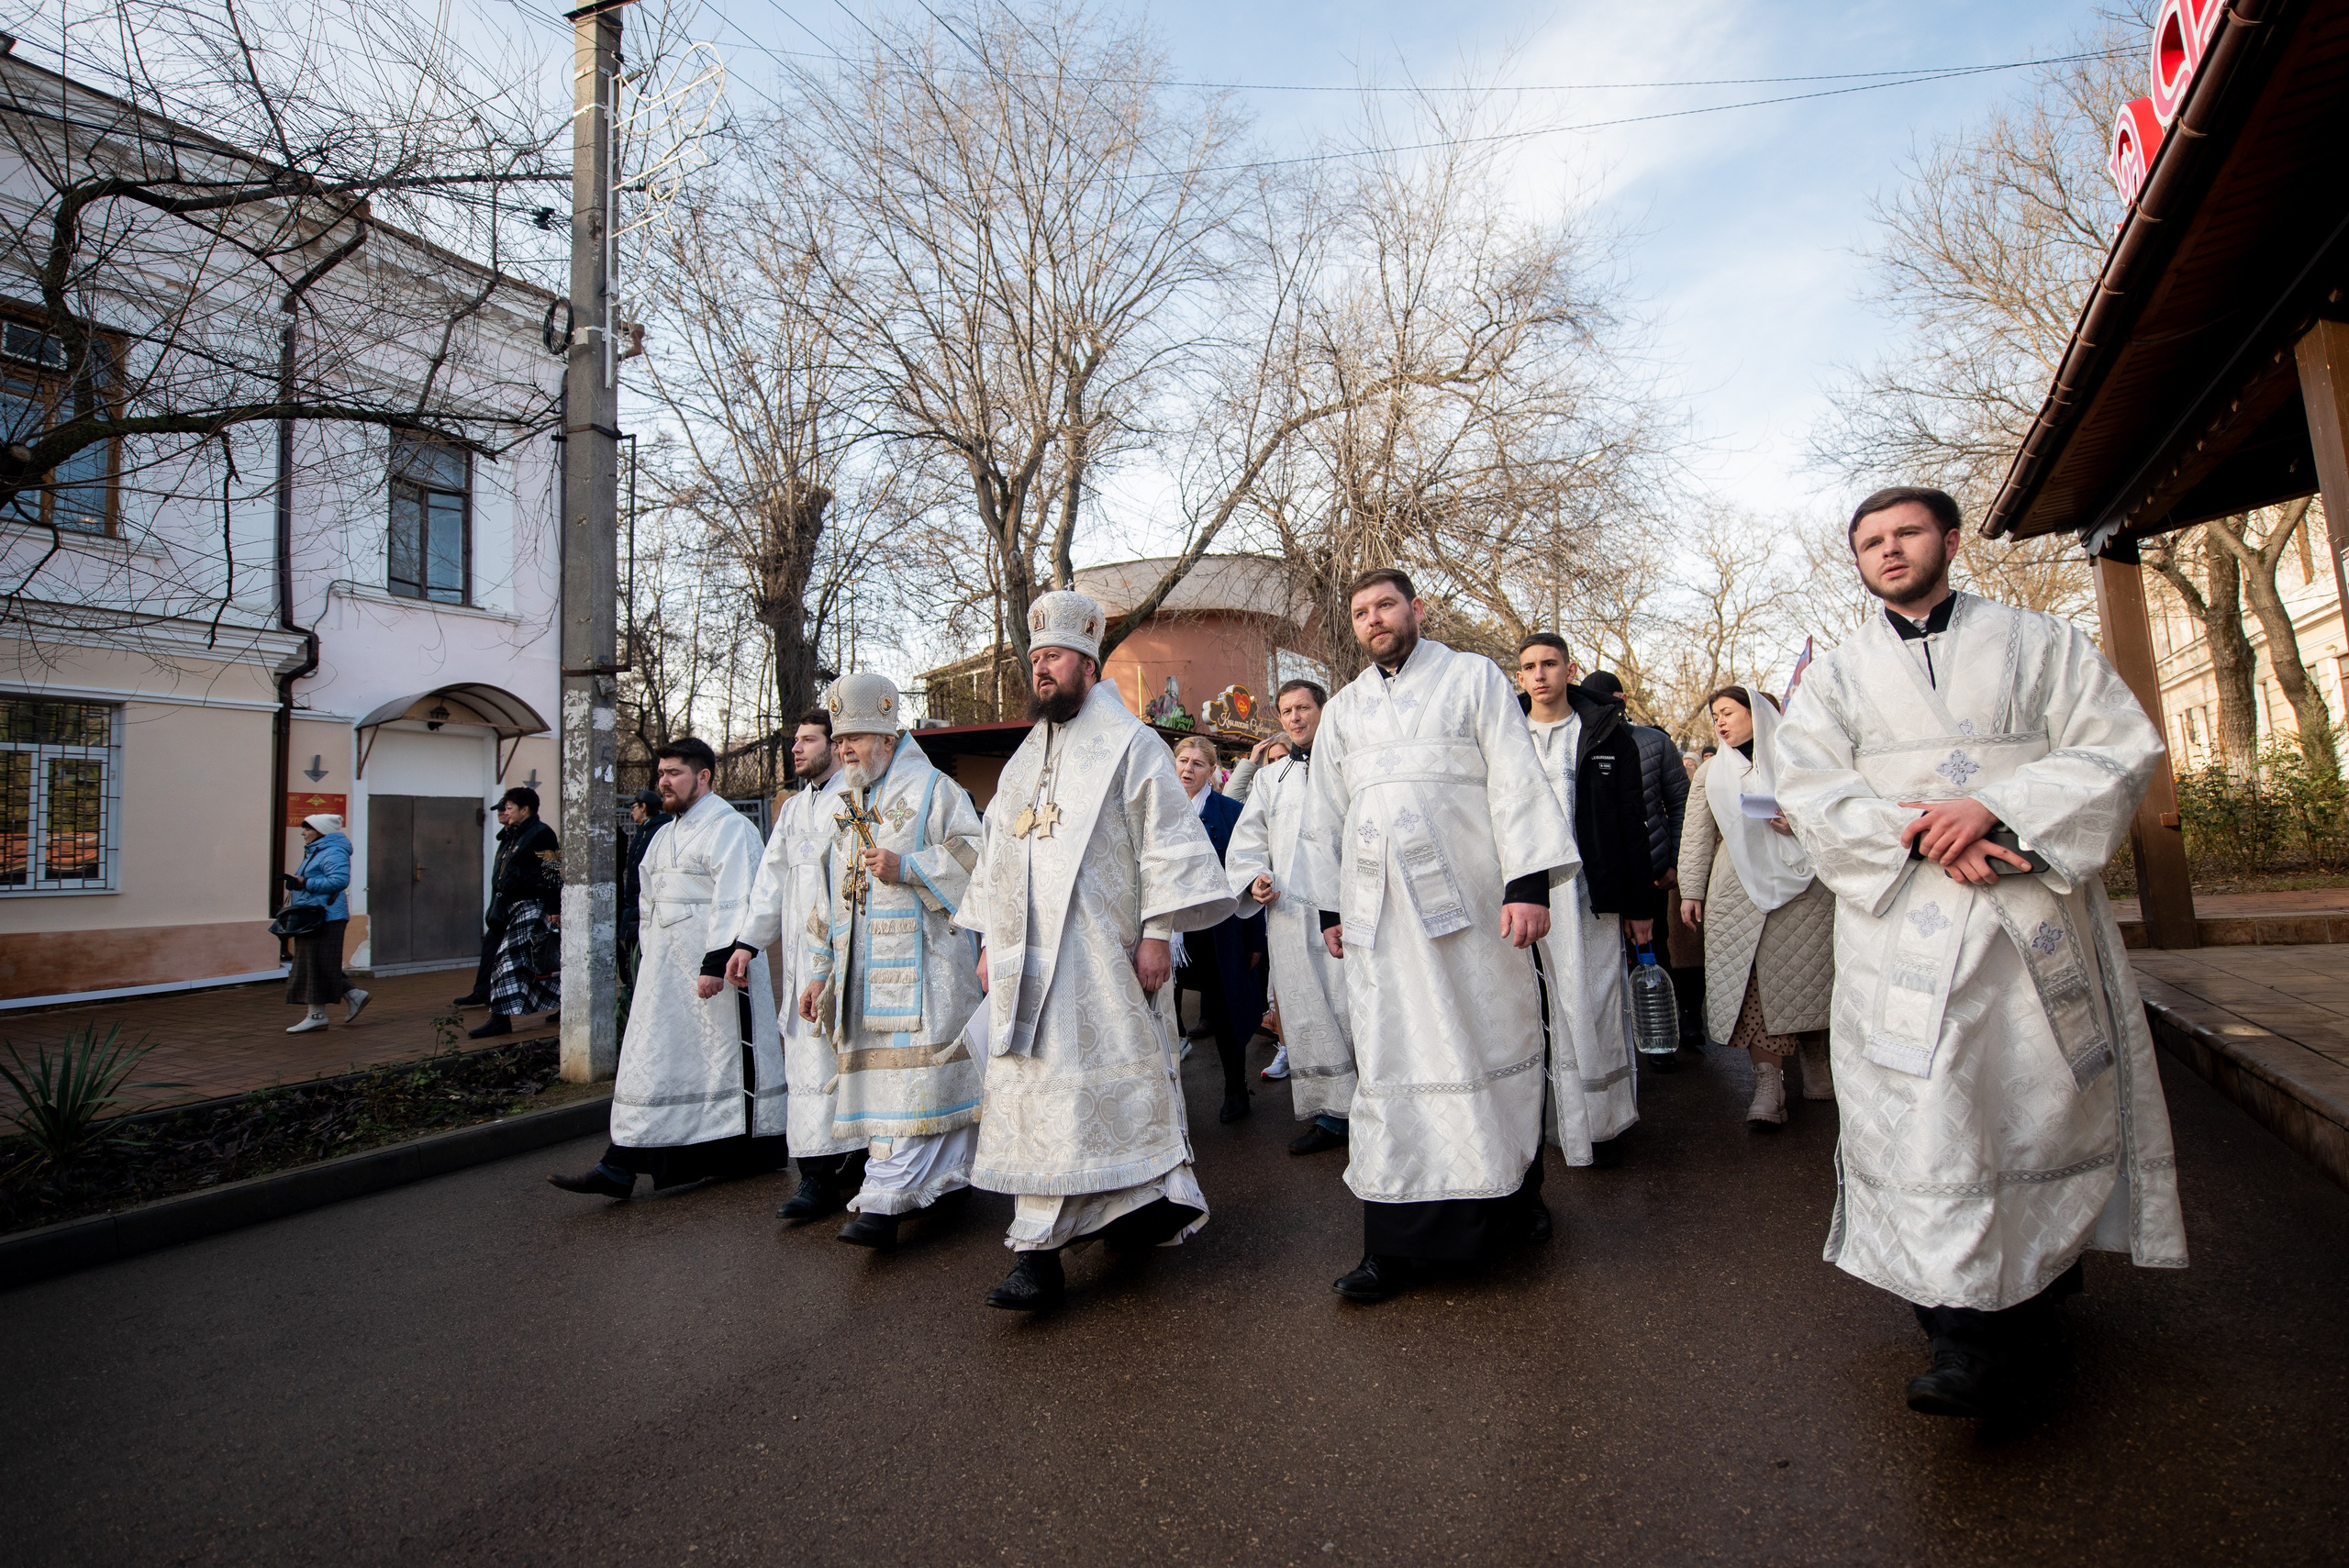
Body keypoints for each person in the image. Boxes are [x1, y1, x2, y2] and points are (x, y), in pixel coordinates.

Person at [1775, 485, 2187, 1419]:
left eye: (1906, 531)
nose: (1888, 549)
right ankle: (1958, 1335)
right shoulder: (1834, 675)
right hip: (1903, 931)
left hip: (2026, 920)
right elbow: (1805, 788)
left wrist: (1995, 808)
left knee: (2032, 1106)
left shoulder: (2043, 643)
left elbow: (2116, 746)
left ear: (1949, 540)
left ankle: (2038, 1294)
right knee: (1930, 1114)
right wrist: (1921, 830)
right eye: (1870, 540)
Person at [1295, 571, 1577, 1306]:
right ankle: (1391, 1245)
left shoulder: (1474, 678)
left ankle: (1514, 1196)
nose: (1373, 619)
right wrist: (1329, 907)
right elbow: (1322, 813)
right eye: (1360, 612)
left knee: (1489, 1041)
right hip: (1379, 924)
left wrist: (1527, 885)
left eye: (1385, 604)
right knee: (1390, 1061)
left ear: (1416, 609)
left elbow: (1517, 779)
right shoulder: (1347, 709)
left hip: (1476, 913)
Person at [955, 590, 1238, 1312]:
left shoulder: (1134, 744)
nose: (1040, 670)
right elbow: (994, 855)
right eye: (1036, 658)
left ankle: (1133, 1209)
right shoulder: (1022, 760)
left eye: (1052, 658)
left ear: (1086, 662)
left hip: (1101, 959)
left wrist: (1158, 934)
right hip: (1025, 968)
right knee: (1038, 1104)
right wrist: (988, 940)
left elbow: (1169, 845)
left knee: (1105, 1096)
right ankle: (1038, 1253)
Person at [768, 673, 985, 1251]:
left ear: (888, 737)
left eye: (855, 739)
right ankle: (936, 1183)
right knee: (894, 1095)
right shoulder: (847, 802)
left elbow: (978, 862)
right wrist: (817, 971)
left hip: (929, 974)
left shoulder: (936, 791)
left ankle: (885, 1202)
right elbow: (826, 896)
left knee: (922, 1089)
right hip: (861, 977)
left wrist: (908, 867)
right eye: (841, 741)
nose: (845, 751)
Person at [550, 738, 785, 1196]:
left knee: (720, 1063)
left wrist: (715, 963)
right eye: (660, 774)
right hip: (663, 975)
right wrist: (643, 956)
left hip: (715, 975)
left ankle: (641, 1163)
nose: (663, 782)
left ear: (703, 777)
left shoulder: (731, 828)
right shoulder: (662, 835)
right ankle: (621, 1162)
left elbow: (739, 897)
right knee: (654, 1061)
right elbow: (647, 901)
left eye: (674, 773)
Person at [1513, 638, 1648, 1167]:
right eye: (1529, 667)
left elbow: (1630, 825)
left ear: (1570, 670)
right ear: (1518, 676)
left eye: (1549, 665)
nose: (1540, 675)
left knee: (1593, 1001)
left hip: (1589, 894)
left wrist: (1639, 906)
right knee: (1530, 1008)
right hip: (1523, 894)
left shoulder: (1608, 734)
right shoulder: (1506, 735)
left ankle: (1598, 1121)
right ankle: (1545, 1122)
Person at [1676, 686, 1838, 1125]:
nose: (1721, 723)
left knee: (1809, 979)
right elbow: (1697, 835)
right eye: (1715, 717)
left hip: (1806, 891)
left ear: (1760, 713)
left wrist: (1799, 824)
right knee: (1753, 989)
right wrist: (1692, 891)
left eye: (1728, 712)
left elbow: (1835, 816)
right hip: (1738, 892)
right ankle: (1768, 1087)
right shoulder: (1711, 772)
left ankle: (1817, 1064)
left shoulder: (1800, 760)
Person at [730, 710, 863, 1221]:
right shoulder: (792, 811)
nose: (796, 748)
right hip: (801, 956)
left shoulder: (854, 799)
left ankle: (852, 1164)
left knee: (841, 1060)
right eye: (795, 740)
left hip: (845, 953)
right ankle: (813, 1175)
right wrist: (746, 943)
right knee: (807, 1061)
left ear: (835, 745)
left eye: (808, 739)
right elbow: (770, 880)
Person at [1225, 679, 1356, 1156]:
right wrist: (1255, 876)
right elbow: (1247, 839)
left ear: (1323, 709)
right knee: (1305, 1011)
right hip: (1287, 912)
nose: (1295, 718)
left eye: (1303, 707)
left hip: (1346, 911)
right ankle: (1329, 1114)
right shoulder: (1269, 778)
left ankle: (1375, 1109)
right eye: (1286, 711)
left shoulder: (1347, 762)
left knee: (1352, 1007)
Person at [1584, 670, 1703, 1050]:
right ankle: (1618, 1037)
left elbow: (1682, 803)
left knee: (1657, 947)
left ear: (1621, 700)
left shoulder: (1653, 742)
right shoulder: (1578, 742)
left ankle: (1677, 1025)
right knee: (1605, 957)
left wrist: (1674, 861)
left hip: (1651, 870)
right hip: (1597, 873)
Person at [1169, 733, 1269, 1124]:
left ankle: (1234, 1087)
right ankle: (1169, 1096)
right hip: (1172, 931)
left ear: (1213, 771)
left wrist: (1254, 937)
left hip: (1219, 930)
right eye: (1182, 761)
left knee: (1227, 1010)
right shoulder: (1158, 810)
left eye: (1197, 764)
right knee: (1163, 1010)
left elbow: (1249, 875)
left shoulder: (1229, 811)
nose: (1187, 769)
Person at [469, 787, 560, 1040]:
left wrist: (554, 906)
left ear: (525, 809)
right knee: (528, 962)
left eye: (509, 807)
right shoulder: (514, 835)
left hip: (532, 905)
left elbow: (553, 870)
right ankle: (562, 1005)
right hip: (511, 906)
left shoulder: (541, 834)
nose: (504, 811)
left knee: (506, 961)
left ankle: (500, 1018)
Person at [281, 813, 367, 1033]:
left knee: (314, 965)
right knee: (315, 963)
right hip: (314, 915)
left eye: (307, 829)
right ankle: (353, 995)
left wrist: (304, 882)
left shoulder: (333, 850)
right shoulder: (318, 850)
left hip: (325, 916)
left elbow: (339, 881)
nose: (303, 833)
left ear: (321, 831)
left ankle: (317, 1015)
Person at [618, 786, 668, 986]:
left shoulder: (656, 831)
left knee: (641, 960)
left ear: (644, 806)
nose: (632, 812)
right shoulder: (646, 830)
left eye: (634, 807)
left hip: (645, 905)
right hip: (636, 905)